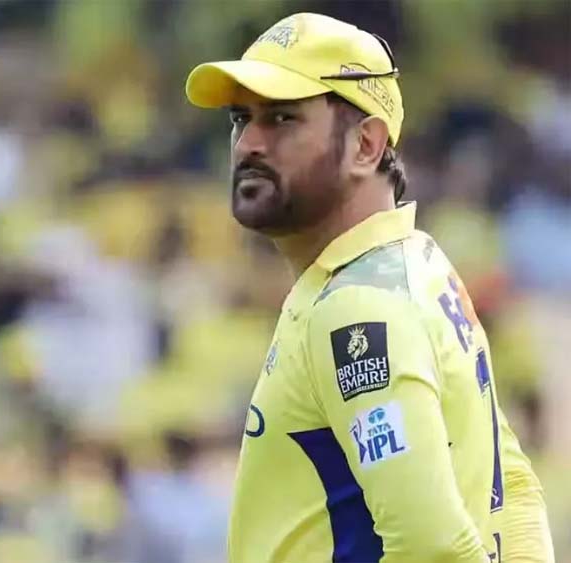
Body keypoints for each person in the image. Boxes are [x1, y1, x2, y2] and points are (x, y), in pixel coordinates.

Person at [184, 12, 554, 563]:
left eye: (282, 118)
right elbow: (514, 490)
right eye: (242, 119)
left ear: (365, 145)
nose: (248, 144)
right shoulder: (419, 263)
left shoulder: (356, 308)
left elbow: (434, 549)